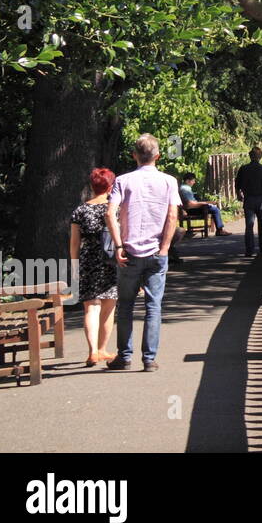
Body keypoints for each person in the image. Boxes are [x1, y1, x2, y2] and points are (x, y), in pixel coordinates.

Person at [106, 133, 180, 372]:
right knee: (153, 306)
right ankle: (149, 359)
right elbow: (172, 215)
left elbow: (110, 213)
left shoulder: (122, 181)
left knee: (125, 305)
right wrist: (165, 247)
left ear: (134, 155)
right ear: (157, 156)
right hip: (157, 252)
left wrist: (118, 246)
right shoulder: (169, 181)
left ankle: (124, 356)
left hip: (128, 252)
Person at [70, 167, 118, 367]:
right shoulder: (115, 208)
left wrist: (74, 267)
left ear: (92, 186)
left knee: (91, 308)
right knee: (108, 306)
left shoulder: (80, 210)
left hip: (88, 260)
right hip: (111, 260)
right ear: (111, 186)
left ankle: (92, 352)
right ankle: (102, 349)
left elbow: (74, 243)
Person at [235, 146, 262, 257]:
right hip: (261, 200)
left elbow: (237, 184)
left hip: (248, 200)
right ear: (260, 157)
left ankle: (249, 250)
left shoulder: (243, 169)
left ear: (250, 156)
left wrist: (239, 194)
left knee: (249, 225)